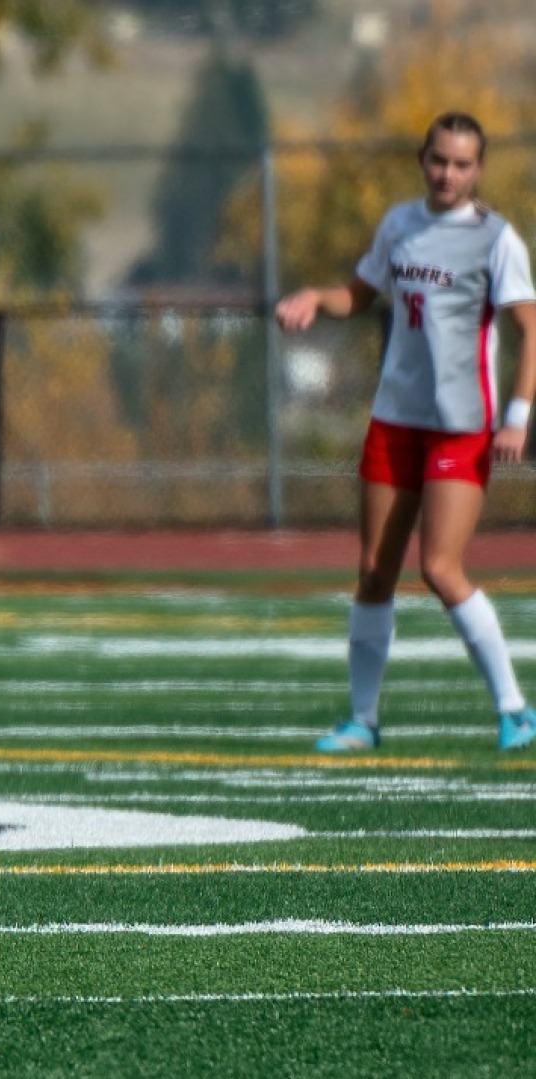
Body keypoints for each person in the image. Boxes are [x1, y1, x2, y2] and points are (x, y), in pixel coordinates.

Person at [275, 111, 536, 754]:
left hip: (459, 428)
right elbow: (358, 296)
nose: (448, 173)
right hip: (396, 419)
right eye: (439, 160)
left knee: (441, 568)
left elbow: (532, 328)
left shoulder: (496, 238)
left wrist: (518, 416)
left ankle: (515, 710)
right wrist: (316, 297)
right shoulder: (399, 224)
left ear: (478, 171)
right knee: (372, 572)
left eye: (462, 164)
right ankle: (363, 721)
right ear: (423, 160)